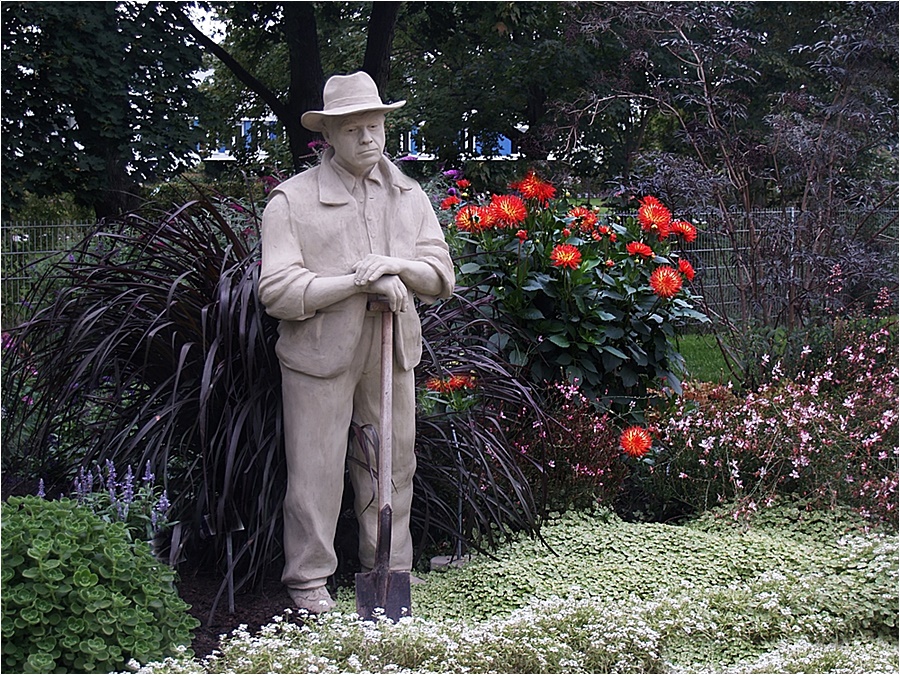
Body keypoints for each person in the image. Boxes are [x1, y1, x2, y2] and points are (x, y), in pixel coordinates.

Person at [258, 72, 455, 614]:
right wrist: (357, 281)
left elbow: (441, 275)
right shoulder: (291, 202)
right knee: (315, 467)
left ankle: (388, 569)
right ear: (329, 136)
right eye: (355, 130)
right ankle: (309, 578)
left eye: (376, 127)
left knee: (393, 464)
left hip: (391, 349)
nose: (369, 138)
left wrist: (397, 266)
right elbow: (276, 290)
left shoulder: (409, 196)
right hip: (318, 355)